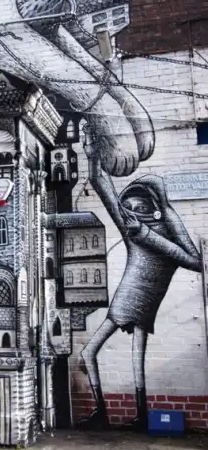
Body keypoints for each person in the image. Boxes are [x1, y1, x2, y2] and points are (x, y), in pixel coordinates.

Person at [78, 128, 202, 430]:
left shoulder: (155, 232)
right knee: (90, 352)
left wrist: (147, 233)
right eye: (129, 207)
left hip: (145, 304)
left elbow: (195, 261)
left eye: (140, 207)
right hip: (124, 301)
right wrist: (91, 156)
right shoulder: (131, 229)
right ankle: (103, 412)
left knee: (136, 362)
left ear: (156, 210)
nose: (132, 213)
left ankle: (140, 415)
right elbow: (102, 186)